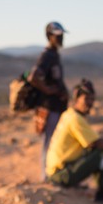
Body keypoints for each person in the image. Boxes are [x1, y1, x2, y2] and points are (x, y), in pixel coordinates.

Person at [45, 78, 103, 204]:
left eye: (92, 100)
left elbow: (92, 143)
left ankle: (102, 194)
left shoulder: (70, 115)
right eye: (87, 99)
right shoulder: (75, 118)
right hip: (61, 175)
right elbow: (96, 144)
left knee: (98, 154)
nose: (90, 103)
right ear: (77, 98)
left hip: (58, 172)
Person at [28, 21, 69, 178]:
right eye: (58, 36)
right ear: (49, 36)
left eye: (62, 35)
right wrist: (49, 90)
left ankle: (54, 174)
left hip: (57, 107)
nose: (61, 38)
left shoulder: (54, 55)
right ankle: (45, 177)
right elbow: (33, 77)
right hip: (50, 107)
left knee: (56, 142)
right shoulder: (47, 56)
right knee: (49, 142)